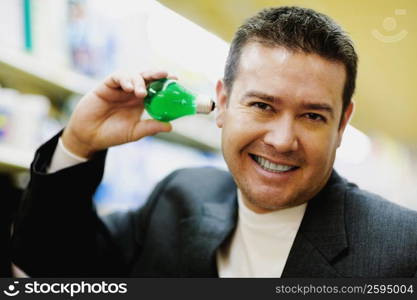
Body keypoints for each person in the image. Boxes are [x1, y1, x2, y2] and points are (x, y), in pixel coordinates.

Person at [12, 6, 417, 277]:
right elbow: (50, 263)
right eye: (261, 105)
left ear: (343, 123)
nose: (281, 140)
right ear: (222, 102)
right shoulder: (179, 197)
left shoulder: (402, 250)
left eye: (313, 116)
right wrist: (79, 142)